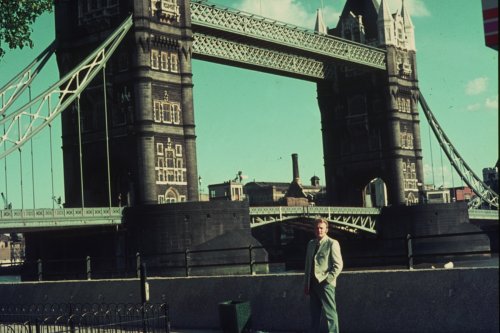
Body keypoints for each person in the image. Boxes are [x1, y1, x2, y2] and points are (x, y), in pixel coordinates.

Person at [304, 218, 343, 333]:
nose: (319, 230)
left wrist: (328, 280)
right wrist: (306, 284)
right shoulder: (311, 244)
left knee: (330, 314)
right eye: (317, 228)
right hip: (312, 284)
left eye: (321, 228)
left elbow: (338, 265)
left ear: (326, 230)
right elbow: (308, 266)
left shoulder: (332, 243)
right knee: (314, 315)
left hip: (325, 284)